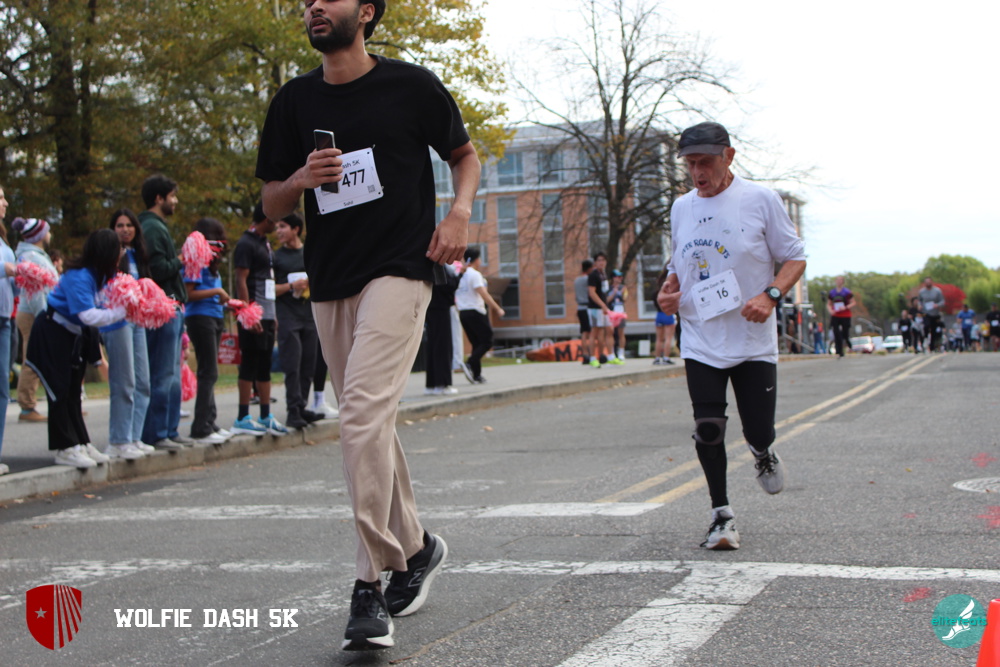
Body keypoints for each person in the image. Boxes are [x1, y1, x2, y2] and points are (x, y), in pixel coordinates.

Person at [256, 0, 478, 650]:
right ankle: (417, 547)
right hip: (331, 281)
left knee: (357, 415)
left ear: (368, 11)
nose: (315, 6)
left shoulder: (411, 86)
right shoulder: (293, 101)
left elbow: (465, 156)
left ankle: (368, 584)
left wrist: (459, 213)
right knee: (370, 422)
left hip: (402, 268)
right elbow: (269, 202)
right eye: (308, 1)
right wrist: (300, 178)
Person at [656, 121, 806, 551]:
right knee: (708, 427)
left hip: (751, 338)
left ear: (729, 156)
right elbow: (678, 263)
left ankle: (762, 452)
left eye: (705, 162)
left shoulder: (760, 200)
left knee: (758, 429)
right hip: (700, 336)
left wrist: (770, 295)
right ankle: (721, 516)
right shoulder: (681, 207)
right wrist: (666, 291)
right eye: (690, 163)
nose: (697, 172)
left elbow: (795, 258)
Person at [25, 229, 125, 468]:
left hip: (72, 334)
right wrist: (122, 312)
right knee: (58, 390)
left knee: (73, 392)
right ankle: (64, 448)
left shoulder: (100, 275)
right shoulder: (80, 276)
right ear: (106, 252)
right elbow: (87, 315)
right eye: (117, 249)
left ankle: (80, 442)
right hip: (51, 332)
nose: (120, 254)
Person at [139, 174, 190, 449]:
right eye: (172, 196)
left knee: (172, 373)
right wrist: (182, 258)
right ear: (159, 198)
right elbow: (157, 269)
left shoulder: (155, 226)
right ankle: (157, 432)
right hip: (164, 307)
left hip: (172, 306)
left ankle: (169, 429)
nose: (176, 201)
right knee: (163, 373)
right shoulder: (152, 228)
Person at [100, 209, 154, 460]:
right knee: (124, 382)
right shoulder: (109, 256)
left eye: (129, 225)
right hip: (117, 321)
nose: (125, 230)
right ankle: (118, 440)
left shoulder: (139, 254)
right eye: (119, 225)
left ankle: (133, 437)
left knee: (143, 382)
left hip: (137, 320)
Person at [231, 204, 286, 437]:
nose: (278, 224)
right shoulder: (246, 243)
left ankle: (265, 415)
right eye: (276, 219)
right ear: (267, 218)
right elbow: (240, 279)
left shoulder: (264, 242)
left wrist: (272, 315)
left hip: (268, 313)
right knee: (249, 364)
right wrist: (247, 313)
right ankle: (243, 416)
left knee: (265, 365)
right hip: (253, 314)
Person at [184, 217, 233, 444]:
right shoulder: (196, 260)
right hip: (200, 318)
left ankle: (210, 421)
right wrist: (217, 292)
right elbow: (188, 293)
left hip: (215, 316)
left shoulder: (212, 263)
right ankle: (200, 427)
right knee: (208, 371)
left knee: (211, 372)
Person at [272, 212, 323, 427]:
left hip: (309, 316)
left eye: (283, 226)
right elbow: (269, 289)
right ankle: (293, 411)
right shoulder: (276, 257)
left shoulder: (308, 253)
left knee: (308, 364)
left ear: (296, 229)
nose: (278, 231)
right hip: (287, 316)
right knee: (292, 364)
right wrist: (292, 286)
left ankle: (302, 407)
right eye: (277, 227)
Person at [12, 215, 57, 422]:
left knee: (35, 355)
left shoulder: (34, 255)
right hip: (33, 312)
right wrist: (44, 315)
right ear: (39, 235)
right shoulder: (32, 257)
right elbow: (37, 289)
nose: (50, 234)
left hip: (33, 311)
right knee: (33, 357)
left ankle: (39, 404)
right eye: (47, 231)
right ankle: (27, 406)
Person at [457, 247, 504, 384]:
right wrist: (497, 308)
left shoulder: (460, 274)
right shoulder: (474, 274)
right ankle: (470, 363)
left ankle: (476, 375)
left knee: (476, 343)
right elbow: (483, 293)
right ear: (476, 260)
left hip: (463, 313)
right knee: (487, 341)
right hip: (475, 311)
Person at [0, 185, 17, 475]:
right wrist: (8, 269)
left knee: (2, 388)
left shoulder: (4, 239)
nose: (4, 202)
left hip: (4, 319)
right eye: (0, 197)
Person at [424, 262, 460, 395]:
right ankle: (442, 384)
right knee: (443, 346)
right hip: (441, 308)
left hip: (431, 307)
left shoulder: (429, 264)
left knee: (433, 346)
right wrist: (458, 275)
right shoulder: (439, 265)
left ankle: (431, 384)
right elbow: (448, 286)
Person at [587, 252, 620, 366]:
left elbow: (604, 293)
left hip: (604, 308)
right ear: (595, 262)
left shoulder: (603, 275)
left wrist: (607, 303)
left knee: (609, 330)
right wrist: (602, 305)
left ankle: (610, 355)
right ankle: (592, 358)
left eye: (603, 260)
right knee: (595, 332)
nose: (601, 263)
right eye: (599, 260)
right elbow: (592, 293)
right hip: (595, 308)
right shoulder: (593, 275)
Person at [652, 264, 676, 365]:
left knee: (659, 338)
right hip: (668, 314)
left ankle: (657, 358)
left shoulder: (657, 289)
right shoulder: (670, 286)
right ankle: (666, 357)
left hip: (659, 314)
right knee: (668, 338)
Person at [826, 275, 855, 358]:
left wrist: (845, 307)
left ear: (843, 282)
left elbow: (853, 302)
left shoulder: (847, 292)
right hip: (835, 314)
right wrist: (830, 311)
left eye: (840, 280)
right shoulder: (832, 292)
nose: (838, 282)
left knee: (845, 333)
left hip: (845, 315)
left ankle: (847, 341)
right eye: (837, 280)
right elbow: (829, 304)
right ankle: (839, 350)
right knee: (836, 332)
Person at [918, 277, 945, 352]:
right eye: (926, 282)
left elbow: (942, 301)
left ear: (931, 282)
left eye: (929, 282)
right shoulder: (922, 292)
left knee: (933, 330)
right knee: (926, 325)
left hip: (935, 313)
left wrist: (937, 305)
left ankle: (932, 347)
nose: (928, 284)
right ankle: (926, 338)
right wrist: (919, 305)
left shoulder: (937, 291)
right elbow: (919, 301)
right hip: (925, 313)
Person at [574, 259, 593, 365]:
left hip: (580, 308)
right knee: (590, 332)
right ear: (589, 268)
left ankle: (584, 353)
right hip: (587, 307)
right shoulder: (588, 279)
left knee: (584, 332)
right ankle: (590, 353)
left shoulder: (576, 280)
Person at [607, 269, 627, 361]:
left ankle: (621, 353)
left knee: (621, 333)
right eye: (618, 277)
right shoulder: (608, 288)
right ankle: (611, 353)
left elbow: (625, 299)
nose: (620, 279)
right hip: (611, 312)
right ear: (613, 278)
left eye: (620, 277)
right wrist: (614, 293)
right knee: (610, 333)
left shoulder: (623, 288)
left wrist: (622, 293)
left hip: (620, 312)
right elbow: (606, 300)